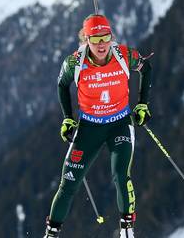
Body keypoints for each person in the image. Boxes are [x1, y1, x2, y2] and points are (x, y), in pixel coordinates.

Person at [43, 14, 152, 238]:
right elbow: (62, 85)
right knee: (69, 182)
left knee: (121, 175)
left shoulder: (124, 55)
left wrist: (142, 105)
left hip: (119, 124)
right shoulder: (74, 62)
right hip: (89, 128)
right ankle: (51, 234)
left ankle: (127, 232)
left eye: (106, 37)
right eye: (95, 39)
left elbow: (146, 68)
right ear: (86, 40)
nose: (102, 44)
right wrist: (68, 118)